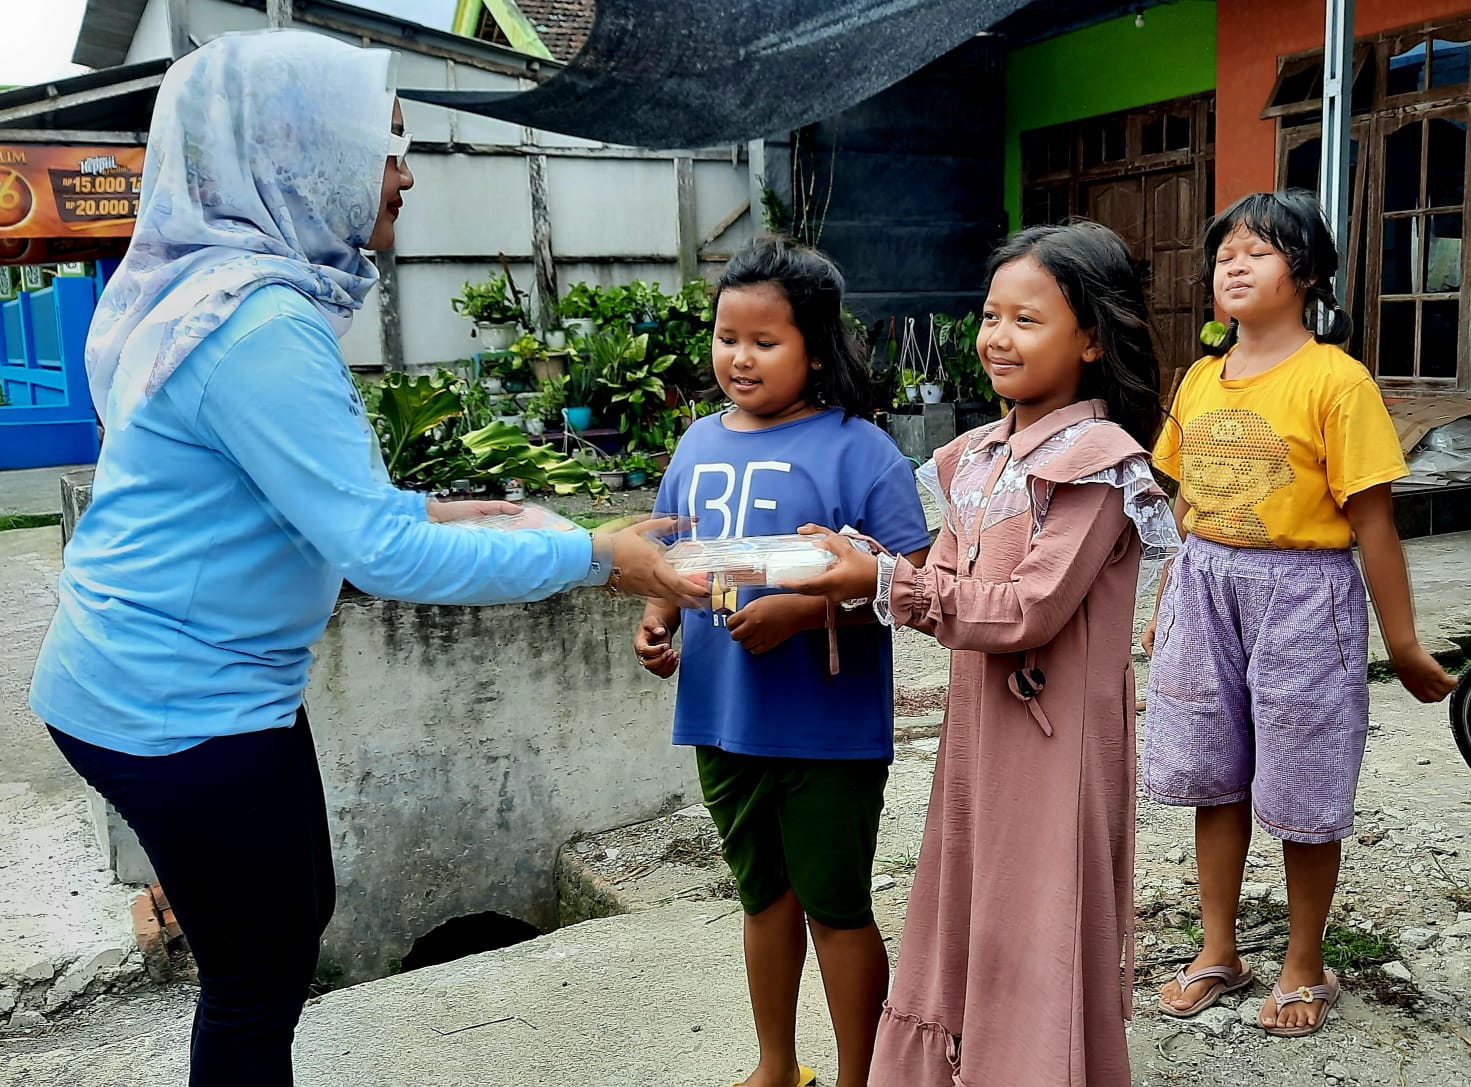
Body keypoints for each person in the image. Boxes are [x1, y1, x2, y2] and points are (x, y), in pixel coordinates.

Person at [29, 30, 703, 1087]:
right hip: (174, 698)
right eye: (385, 143)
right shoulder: (255, 323)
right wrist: (599, 556)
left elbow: (274, 490)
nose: (404, 172)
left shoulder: (205, 286)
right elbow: (378, 553)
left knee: (297, 915)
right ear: (301, 156)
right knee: (257, 973)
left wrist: (429, 507)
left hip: (192, 681)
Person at [786, 222, 1177, 1085]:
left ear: (1089, 338)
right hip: (977, 738)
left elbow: (1030, 608)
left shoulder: (1100, 464)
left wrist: (891, 580)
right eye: (989, 314)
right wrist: (853, 560)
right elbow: (948, 578)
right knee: (972, 912)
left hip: (1053, 746)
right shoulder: (977, 453)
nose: (996, 336)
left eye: (1025, 320)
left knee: (1040, 924)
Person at [1142, 190, 1457, 1037]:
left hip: (1302, 596)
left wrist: (1403, 641)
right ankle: (1217, 948)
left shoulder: (1336, 380)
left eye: (1258, 251)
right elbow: (1187, 505)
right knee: (1214, 770)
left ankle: (1302, 959)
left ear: (1307, 274)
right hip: (1206, 589)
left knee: (1302, 780)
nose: (1233, 266)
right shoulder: (1199, 376)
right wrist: (1167, 601)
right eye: (1224, 254)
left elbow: (1373, 521)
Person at [634, 237, 931, 1087]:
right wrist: (657, 618)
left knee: (836, 907)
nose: (739, 357)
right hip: (722, 720)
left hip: (827, 728)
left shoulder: (860, 451)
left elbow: (910, 583)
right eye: (728, 336)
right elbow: (671, 551)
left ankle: (858, 1077)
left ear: (814, 345)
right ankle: (775, 1064)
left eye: (765, 341)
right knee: (762, 898)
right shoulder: (694, 444)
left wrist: (803, 615)